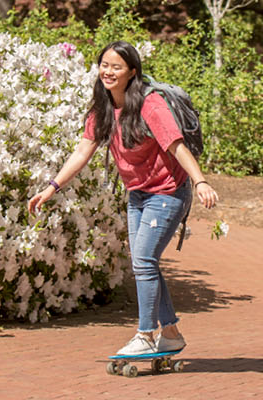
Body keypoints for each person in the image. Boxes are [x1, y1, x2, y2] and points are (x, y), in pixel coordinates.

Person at [28, 40, 218, 355]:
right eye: (105, 65)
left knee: (143, 261)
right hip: (138, 193)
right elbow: (83, 150)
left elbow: (176, 146)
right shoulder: (102, 106)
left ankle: (145, 335)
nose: (109, 72)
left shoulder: (150, 104)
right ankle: (169, 332)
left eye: (117, 67)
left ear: (132, 72)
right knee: (145, 262)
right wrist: (51, 187)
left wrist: (200, 181)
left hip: (168, 192)